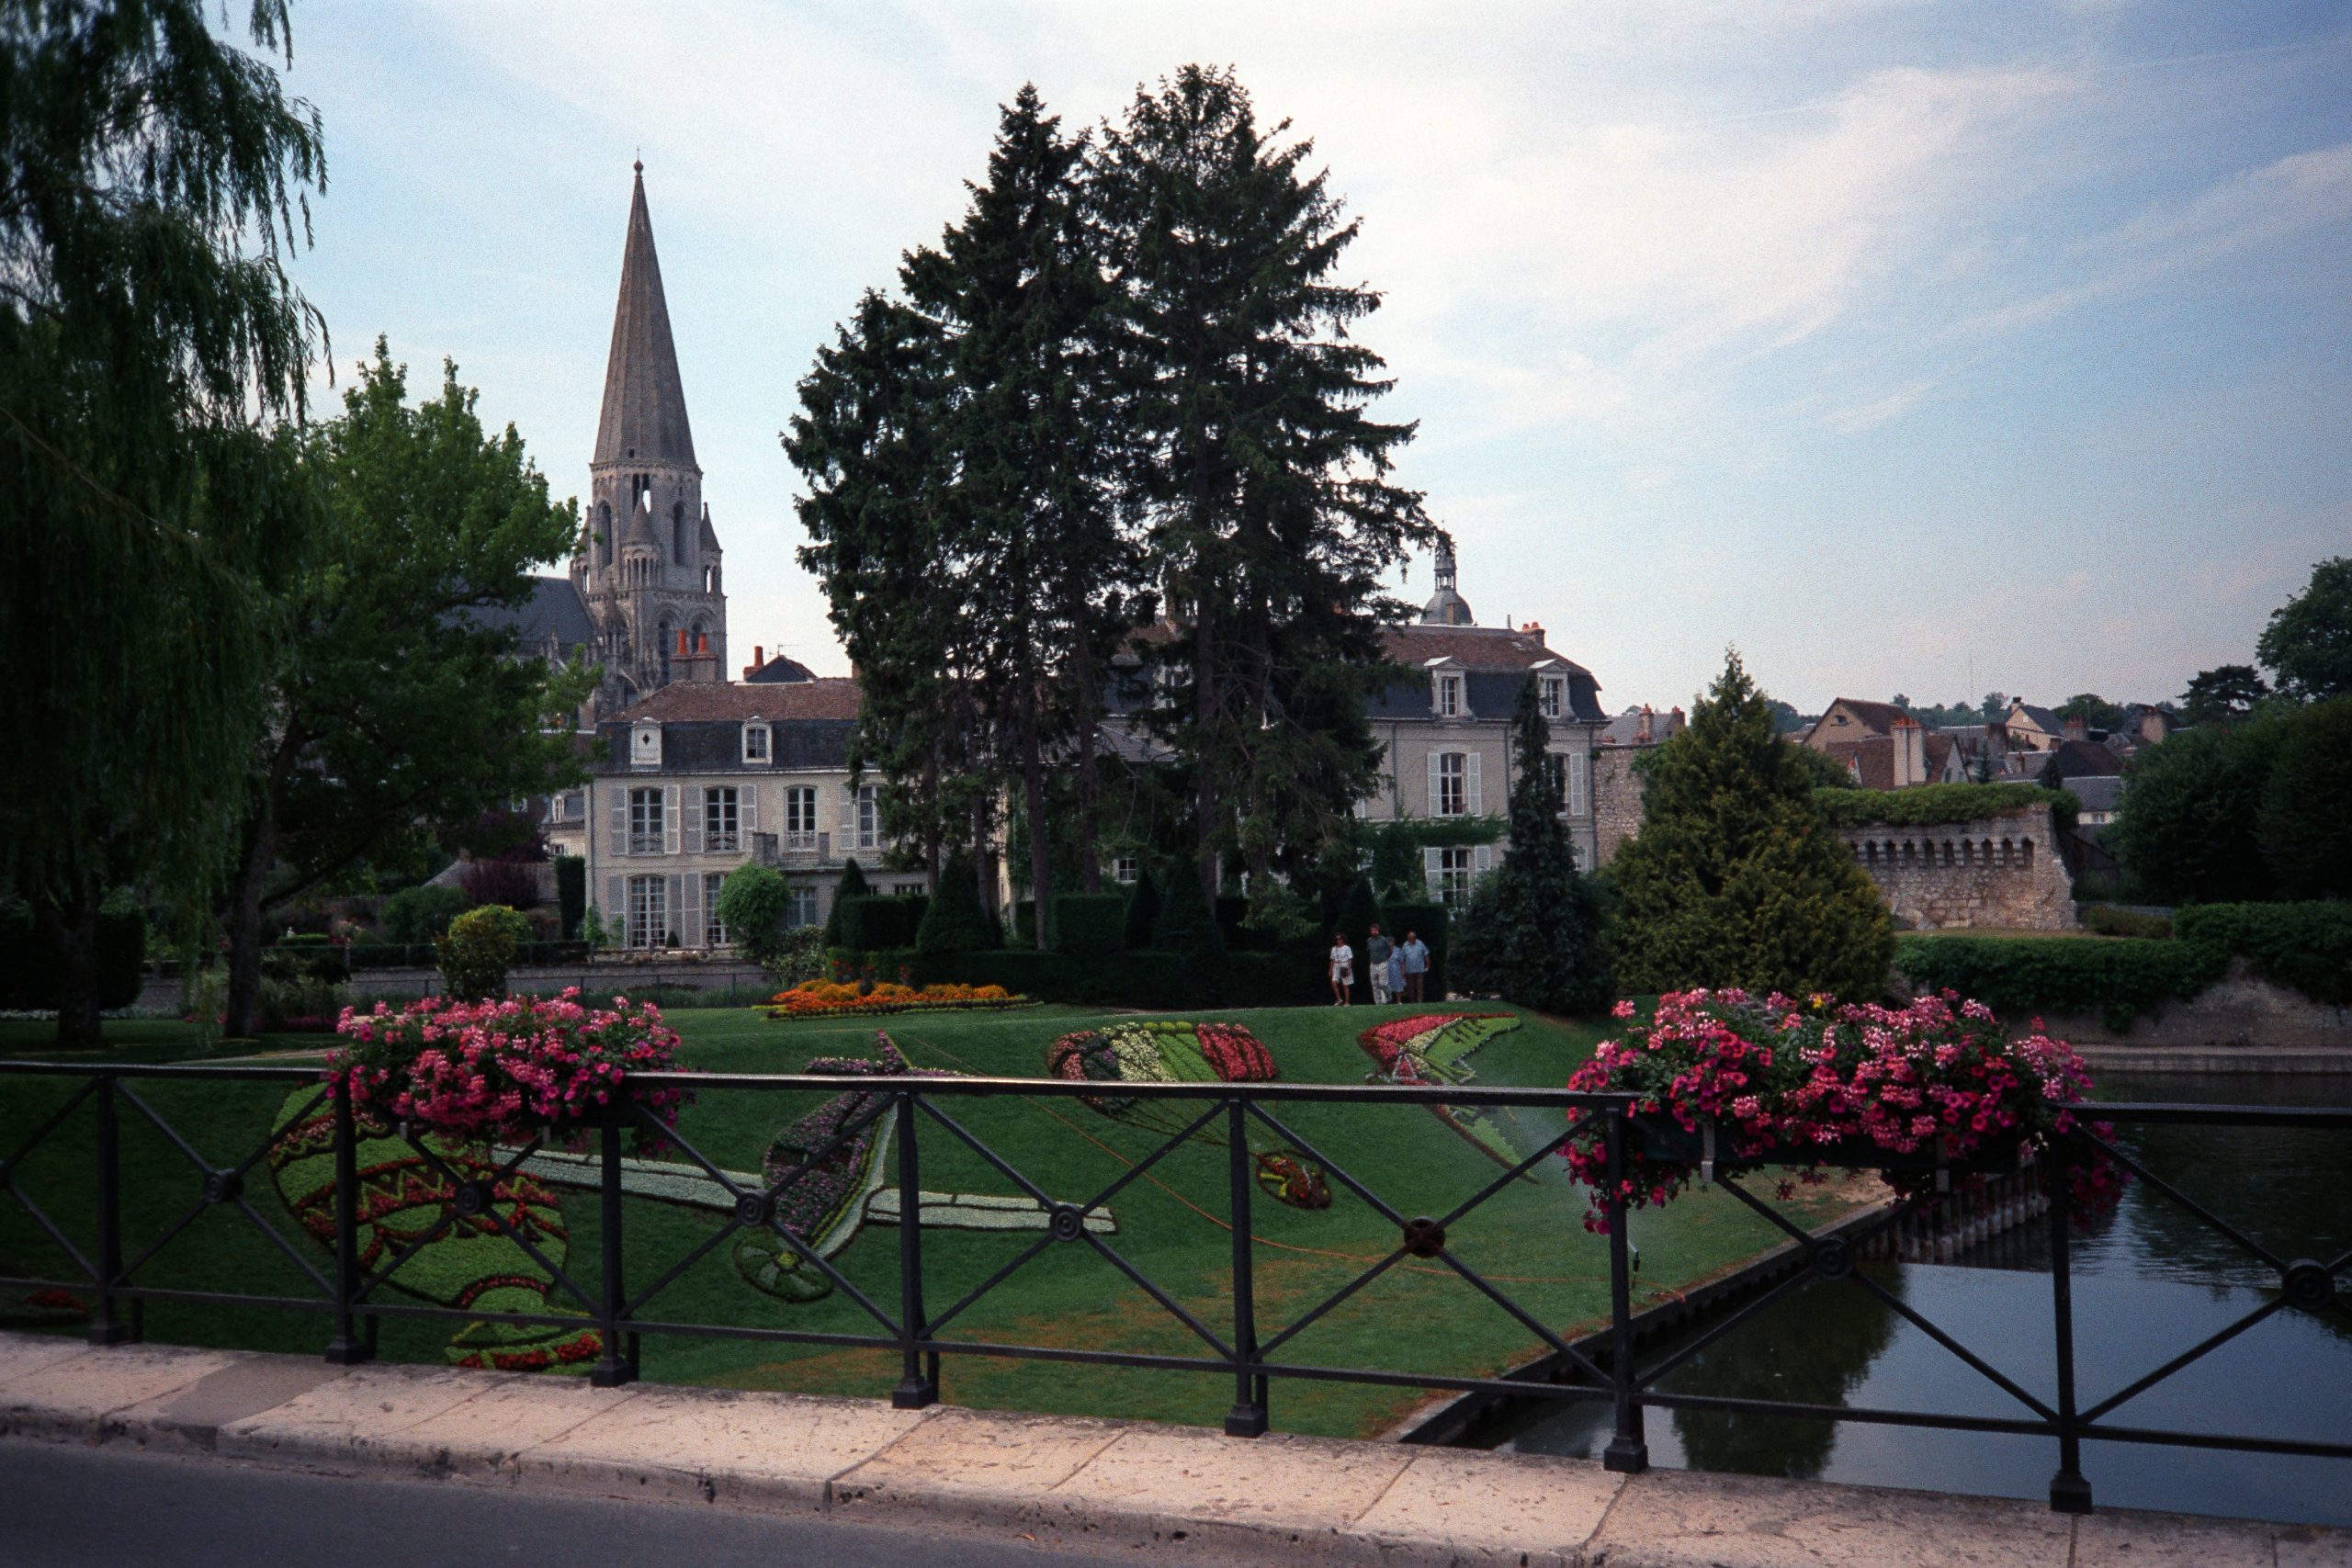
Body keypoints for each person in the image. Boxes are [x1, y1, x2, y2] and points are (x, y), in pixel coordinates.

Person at [1365, 923, 1394, 1006]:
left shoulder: (1383, 939)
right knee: (1374, 985)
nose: (1373, 932)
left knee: (1383, 983)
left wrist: (1385, 958)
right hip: (1373, 964)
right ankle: (1378, 1003)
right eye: (1372, 930)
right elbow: (1369, 950)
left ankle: (1389, 996)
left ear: (1378, 931)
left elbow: (1390, 950)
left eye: (1375, 930)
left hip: (1382, 963)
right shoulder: (1369, 940)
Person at [1398, 930, 1430, 1002]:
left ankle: (1420, 1002)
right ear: (1408, 938)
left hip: (1420, 969)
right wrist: (1402, 970)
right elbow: (1402, 959)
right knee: (1411, 987)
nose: (1412, 939)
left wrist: (1427, 965)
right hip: (1409, 970)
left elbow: (1426, 954)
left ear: (1415, 937)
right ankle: (1413, 1002)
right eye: (1410, 938)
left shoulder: (1420, 943)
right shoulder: (1405, 945)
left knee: (1420, 986)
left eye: (1413, 937)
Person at [1328, 931, 1354, 1007]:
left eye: (1340, 939)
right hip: (1336, 965)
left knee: (1345, 985)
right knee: (1333, 983)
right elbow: (1332, 960)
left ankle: (1347, 1002)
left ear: (1343, 939)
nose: (1339, 940)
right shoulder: (1333, 949)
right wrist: (1330, 970)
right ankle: (1339, 999)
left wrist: (1349, 968)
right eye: (1337, 939)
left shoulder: (1347, 948)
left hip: (1344, 965)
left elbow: (1350, 959)